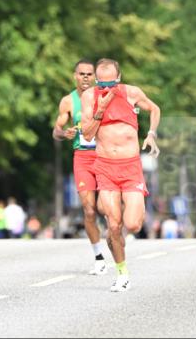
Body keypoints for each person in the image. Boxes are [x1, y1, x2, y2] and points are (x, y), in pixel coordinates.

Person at [80, 58, 160, 293]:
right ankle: (122, 274)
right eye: (102, 85)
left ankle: (116, 239)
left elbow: (154, 109)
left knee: (133, 224)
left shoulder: (131, 93)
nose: (106, 89)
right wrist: (101, 109)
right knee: (114, 226)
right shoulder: (90, 97)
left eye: (111, 84)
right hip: (105, 167)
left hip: (130, 167)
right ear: (96, 81)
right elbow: (87, 135)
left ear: (119, 78)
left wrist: (151, 134)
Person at [53, 59, 110, 274]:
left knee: (107, 207)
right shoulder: (68, 101)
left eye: (89, 74)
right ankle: (99, 257)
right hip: (83, 157)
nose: (85, 77)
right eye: (81, 74)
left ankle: (115, 241)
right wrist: (64, 133)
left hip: (105, 155)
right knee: (89, 209)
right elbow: (56, 130)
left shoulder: (104, 96)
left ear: (95, 77)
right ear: (75, 76)